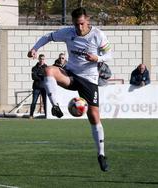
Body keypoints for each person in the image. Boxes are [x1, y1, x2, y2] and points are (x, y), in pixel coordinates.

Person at [27, 7, 112, 172]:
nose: (79, 28)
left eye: (81, 23)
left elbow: (110, 54)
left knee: (94, 116)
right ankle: (55, 106)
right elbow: (47, 36)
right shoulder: (68, 32)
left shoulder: (98, 35)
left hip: (89, 79)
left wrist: (98, 58)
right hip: (71, 74)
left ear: (87, 20)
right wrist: (35, 48)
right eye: (76, 24)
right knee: (48, 70)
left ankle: (101, 154)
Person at [29, 54, 47, 119]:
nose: (42, 60)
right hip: (36, 87)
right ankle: (31, 115)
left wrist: (39, 75)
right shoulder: (34, 68)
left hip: (44, 88)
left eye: (43, 59)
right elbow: (34, 77)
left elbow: (46, 77)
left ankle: (46, 115)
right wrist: (41, 76)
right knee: (34, 102)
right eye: (41, 59)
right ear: (38, 59)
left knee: (45, 102)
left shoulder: (46, 68)